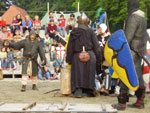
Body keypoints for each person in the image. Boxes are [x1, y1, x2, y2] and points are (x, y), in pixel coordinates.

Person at [112, 0, 147, 110]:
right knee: (138, 76)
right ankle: (140, 100)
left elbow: (127, 37)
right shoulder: (143, 18)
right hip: (139, 50)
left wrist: (120, 49)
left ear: (130, 5)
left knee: (125, 74)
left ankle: (122, 102)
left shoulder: (133, 17)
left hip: (131, 50)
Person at [66, 12, 102, 97]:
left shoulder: (74, 32)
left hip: (77, 55)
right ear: (87, 22)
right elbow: (96, 46)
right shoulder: (90, 32)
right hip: (89, 54)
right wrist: (99, 58)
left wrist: (69, 59)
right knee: (88, 72)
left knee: (78, 72)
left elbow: (70, 47)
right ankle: (89, 89)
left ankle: (79, 89)